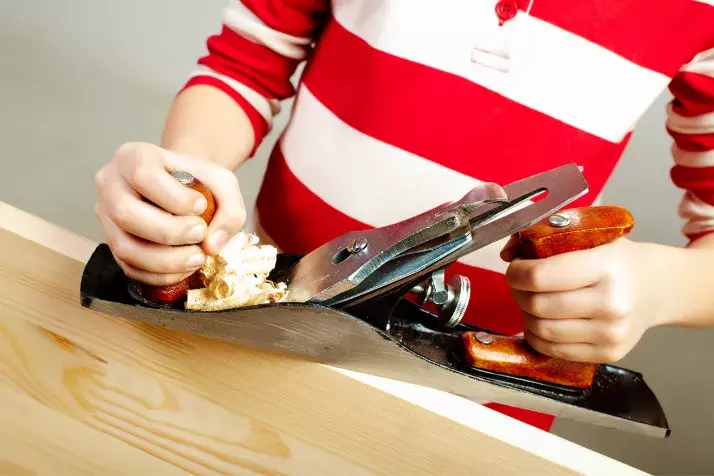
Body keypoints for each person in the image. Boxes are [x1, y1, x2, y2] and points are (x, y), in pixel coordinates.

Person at [93, 1, 714, 431]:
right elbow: (244, 65)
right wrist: (182, 182)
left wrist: (659, 287)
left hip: (487, 406)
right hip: (263, 335)